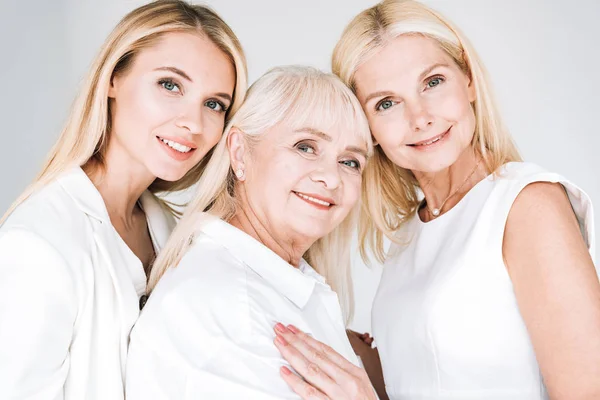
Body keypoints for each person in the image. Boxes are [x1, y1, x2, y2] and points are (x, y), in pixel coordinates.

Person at [275, 1, 600, 399]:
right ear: (367, 128)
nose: (420, 117)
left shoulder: (527, 205)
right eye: (386, 103)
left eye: (432, 82)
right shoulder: (410, 235)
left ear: (468, 80)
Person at [0, 1, 247, 399]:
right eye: (170, 85)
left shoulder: (172, 230)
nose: (194, 123)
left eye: (214, 104)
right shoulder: (40, 244)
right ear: (113, 78)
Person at [125, 65, 377, 399]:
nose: (331, 178)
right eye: (306, 146)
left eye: (350, 162)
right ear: (240, 151)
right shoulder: (231, 307)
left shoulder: (267, 285)